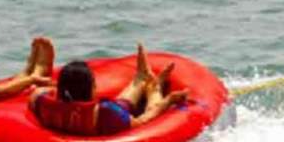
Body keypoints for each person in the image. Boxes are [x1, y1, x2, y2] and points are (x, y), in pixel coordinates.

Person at [30, 45, 188, 135]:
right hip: (106, 122)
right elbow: (142, 121)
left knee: (122, 104)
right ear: (91, 88)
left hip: (104, 117)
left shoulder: (42, 104)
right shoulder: (104, 112)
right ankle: (155, 89)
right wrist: (169, 101)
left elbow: (36, 93)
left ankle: (141, 78)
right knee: (145, 104)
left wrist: (55, 88)